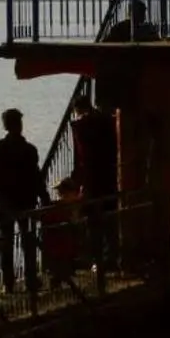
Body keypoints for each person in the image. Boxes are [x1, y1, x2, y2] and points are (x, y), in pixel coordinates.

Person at [0, 108, 47, 296]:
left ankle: (8, 283)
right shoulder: (29, 149)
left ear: (5, 125)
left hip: (4, 202)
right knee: (28, 241)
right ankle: (31, 280)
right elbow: (36, 177)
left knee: (6, 243)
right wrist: (45, 198)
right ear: (19, 124)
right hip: (26, 200)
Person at [65, 90, 120, 271]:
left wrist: (76, 180)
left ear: (77, 109)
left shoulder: (81, 127)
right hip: (109, 178)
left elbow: (82, 159)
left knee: (92, 221)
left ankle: (97, 259)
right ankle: (112, 256)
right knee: (110, 219)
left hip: (91, 181)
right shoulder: (108, 122)